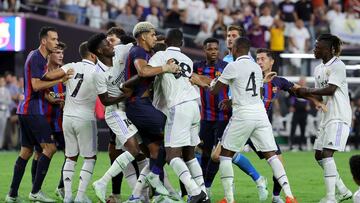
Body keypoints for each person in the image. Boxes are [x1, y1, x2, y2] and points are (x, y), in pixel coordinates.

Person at [199, 37, 297, 203]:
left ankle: (229, 199)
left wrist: (212, 82)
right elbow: (257, 93)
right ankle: (289, 196)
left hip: (242, 115)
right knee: (272, 156)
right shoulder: (256, 68)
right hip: (260, 114)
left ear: (236, 50)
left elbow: (215, 91)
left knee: (224, 156)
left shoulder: (233, 66)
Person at [5, 26, 69, 203]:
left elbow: (41, 85)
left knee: (26, 151)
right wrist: (61, 79)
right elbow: (36, 86)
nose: (56, 42)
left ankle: (11, 194)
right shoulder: (37, 58)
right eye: (54, 39)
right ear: (44, 41)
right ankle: (35, 191)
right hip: (34, 109)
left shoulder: (37, 57)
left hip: (25, 110)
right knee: (50, 148)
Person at [120, 22, 180, 202]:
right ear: (143, 36)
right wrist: (166, 68)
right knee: (170, 137)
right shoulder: (138, 51)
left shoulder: (148, 53)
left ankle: (138, 196)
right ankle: (157, 185)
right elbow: (143, 71)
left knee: (155, 151)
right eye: (153, 34)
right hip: (137, 104)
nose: (155, 37)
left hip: (142, 104)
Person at [148, 28, 209, 203]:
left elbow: (146, 71)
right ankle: (204, 194)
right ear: (182, 43)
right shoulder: (188, 60)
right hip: (194, 106)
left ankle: (195, 191)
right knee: (189, 155)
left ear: (165, 41)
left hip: (178, 108)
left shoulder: (160, 56)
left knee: (172, 155)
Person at [295, 34, 353, 203]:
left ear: (328, 49)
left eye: (318, 47)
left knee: (327, 154)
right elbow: (320, 97)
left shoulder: (338, 65)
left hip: (339, 116)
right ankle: (342, 190)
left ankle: (330, 198)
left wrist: (308, 90)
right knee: (319, 155)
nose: (315, 49)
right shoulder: (318, 68)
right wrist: (304, 94)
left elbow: (331, 90)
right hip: (326, 115)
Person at [221, 24, 269, 201]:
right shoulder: (226, 58)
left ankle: (261, 183)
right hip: (229, 111)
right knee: (221, 153)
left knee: (221, 154)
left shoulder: (243, 61)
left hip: (241, 112)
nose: (230, 38)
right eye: (228, 35)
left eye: (234, 35)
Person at [192, 37, 230, 198]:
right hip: (206, 117)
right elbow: (189, 79)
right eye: (210, 49)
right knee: (205, 153)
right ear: (204, 50)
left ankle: (207, 186)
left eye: (216, 49)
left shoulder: (226, 67)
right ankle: (203, 187)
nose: (213, 52)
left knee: (217, 154)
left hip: (223, 116)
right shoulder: (197, 67)